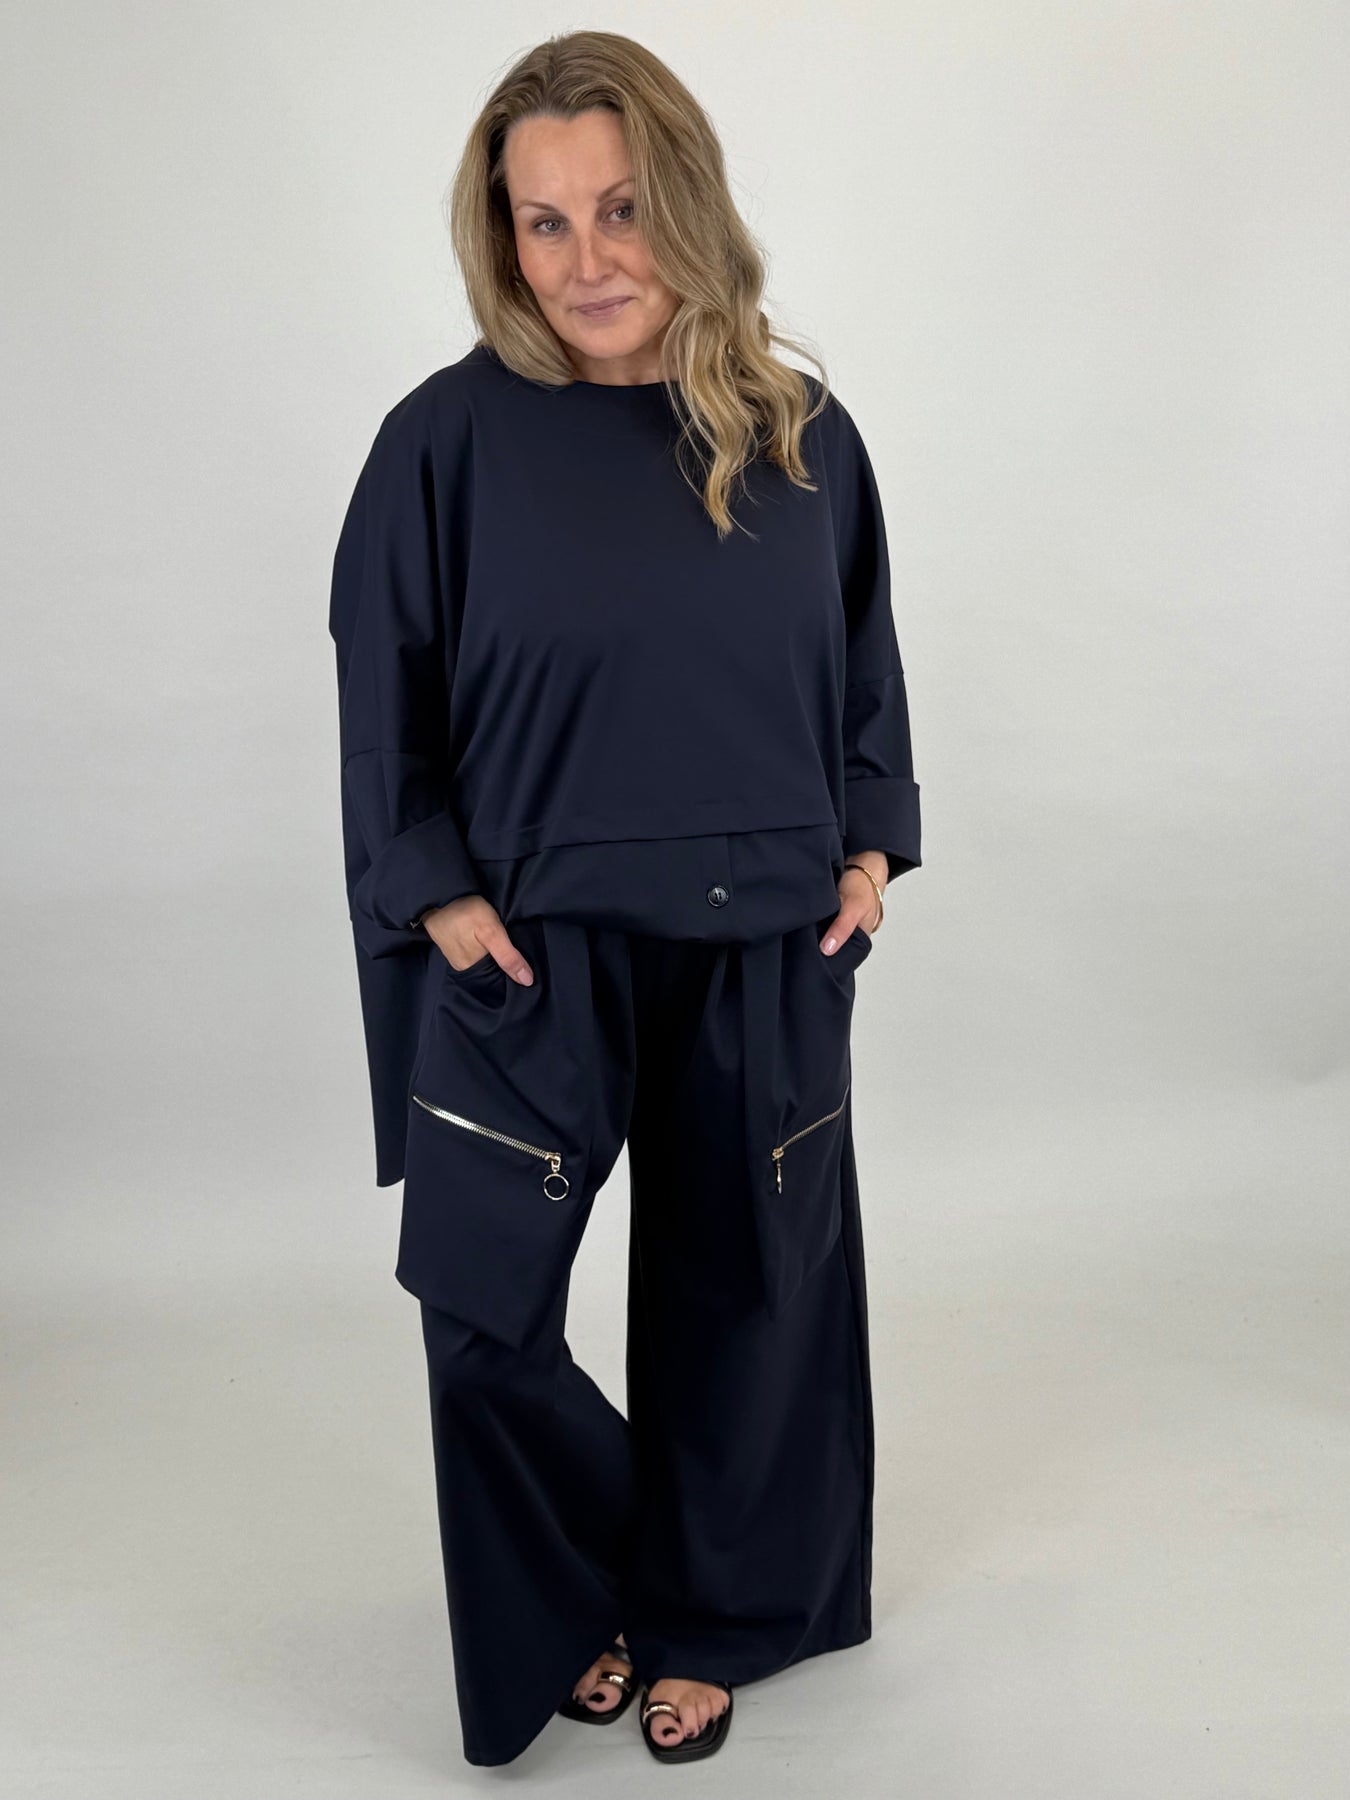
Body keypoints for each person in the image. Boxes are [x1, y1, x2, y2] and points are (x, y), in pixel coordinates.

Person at [327, 29, 922, 1769]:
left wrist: (867, 852)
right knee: (481, 1317)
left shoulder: (797, 433)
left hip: (763, 940)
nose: (587, 259)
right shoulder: (439, 445)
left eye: (620, 209)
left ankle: (712, 1616)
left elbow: (863, 671)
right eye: (543, 221)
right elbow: (384, 701)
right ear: (497, 237)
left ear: (685, 204)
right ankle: (606, 1566)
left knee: (753, 1306)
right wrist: (439, 899)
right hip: (529, 946)